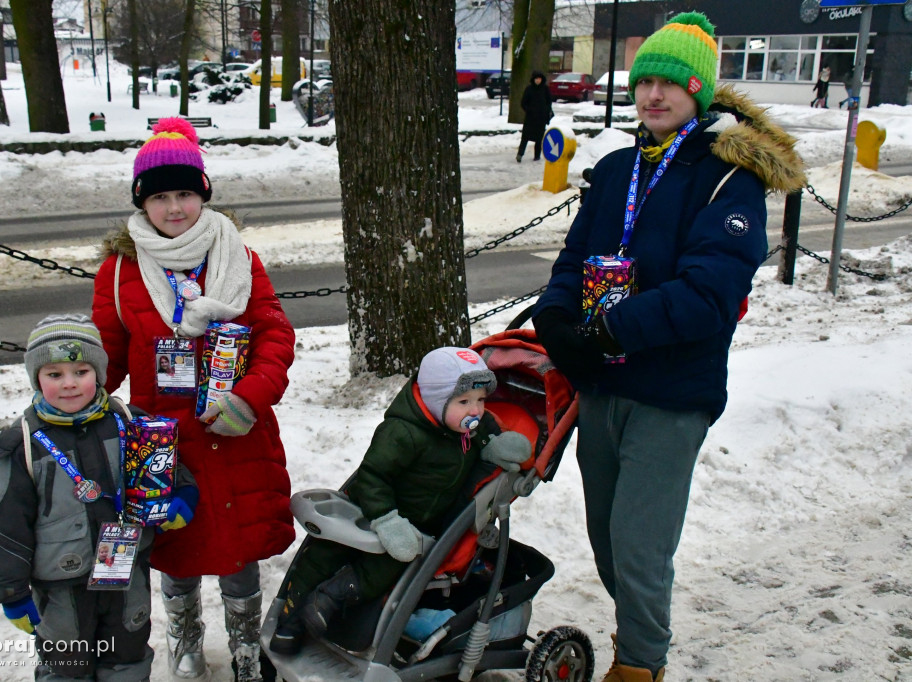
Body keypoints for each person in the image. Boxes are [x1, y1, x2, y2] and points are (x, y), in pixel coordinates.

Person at [531, 12, 805, 682]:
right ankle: (638, 633)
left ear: (699, 91)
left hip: (671, 392)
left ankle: (639, 665)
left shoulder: (728, 177)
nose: (654, 94)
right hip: (602, 384)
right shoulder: (619, 166)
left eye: (672, 83)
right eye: (645, 80)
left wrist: (610, 330)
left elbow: (708, 292)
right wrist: (556, 318)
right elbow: (574, 259)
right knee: (606, 539)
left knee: (639, 542)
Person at [92, 117, 297, 681]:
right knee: (174, 551)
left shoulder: (238, 258)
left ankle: (245, 645)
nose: (175, 207)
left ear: (203, 193)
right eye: (160, 196)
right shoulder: (120, 270)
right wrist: (71, 393)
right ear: (142, 202)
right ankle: (184, 638)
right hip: (162, 442)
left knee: (238, 552)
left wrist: (250, 398)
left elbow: (274, 335)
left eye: (185, 193)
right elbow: (105, 357)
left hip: (234, 432)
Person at [268, 347, 531, 655]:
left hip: (416, 526)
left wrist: (495, 445)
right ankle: (291, 619)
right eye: (464, 402)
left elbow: (485, 433)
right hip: (377, 511)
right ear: (436, 400)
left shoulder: (466, 427)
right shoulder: (401, 432)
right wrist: (386, 519)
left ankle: (335, 594)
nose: (475, 410)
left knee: (388, 565)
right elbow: (372, 477)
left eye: (481, 400)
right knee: (325, 553)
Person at [0, 314, 199, 681]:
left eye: (81, 371)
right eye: (54, 375)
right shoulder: (23, 443)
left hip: (125, 576)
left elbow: (168, 464)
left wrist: (182, 495)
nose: (69, 384)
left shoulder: (128, 421)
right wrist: (11, 590)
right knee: (67, 666)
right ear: (37, 378)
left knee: (129, 657)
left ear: (98, 373)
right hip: (60, 589)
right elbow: (6, 525)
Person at [516, 70, 553, 162]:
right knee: (525, 137)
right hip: (530, 118)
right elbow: (523, 102)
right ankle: (520, 154)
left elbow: (549, 101)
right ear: (533, 79)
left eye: (539, 79)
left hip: (541, 118)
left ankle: (537, 155)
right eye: (536, 78)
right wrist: (529, 110)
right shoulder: (529, 89)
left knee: (539, 138)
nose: (538, 80)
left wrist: (546, 111)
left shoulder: (545, 89)